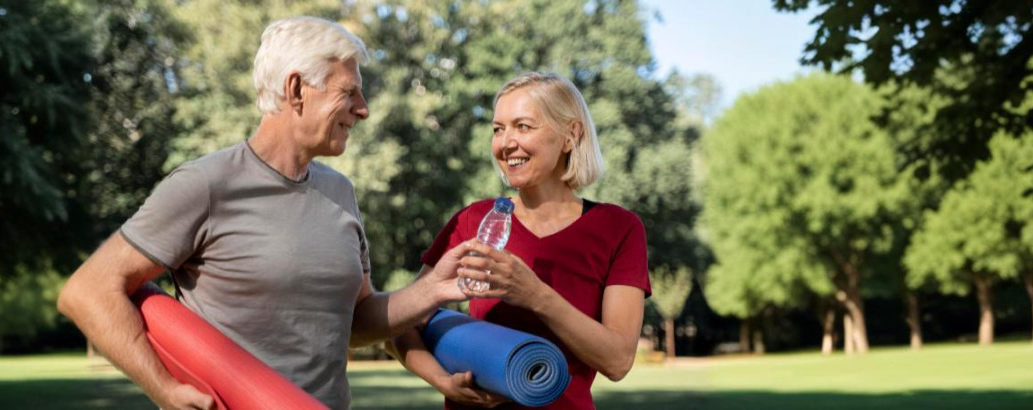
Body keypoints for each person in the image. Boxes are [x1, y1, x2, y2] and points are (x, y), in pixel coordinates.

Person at [57, 16, 473, 410]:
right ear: (296, 90)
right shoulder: (206, 184)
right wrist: (163, 388)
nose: (363, 109)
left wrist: (433, 288)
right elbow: (88, 291)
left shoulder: (339, 191)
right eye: (349, 92)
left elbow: (356, 323)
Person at [390, 72, 651, 409]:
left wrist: (535, 295)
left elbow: (618, 361)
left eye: (523, 127)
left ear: (571, 135)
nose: (505, 143)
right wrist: (442, 382)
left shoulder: (619, 228)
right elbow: (402, 323)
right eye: (498, 129)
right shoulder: (473, 220)